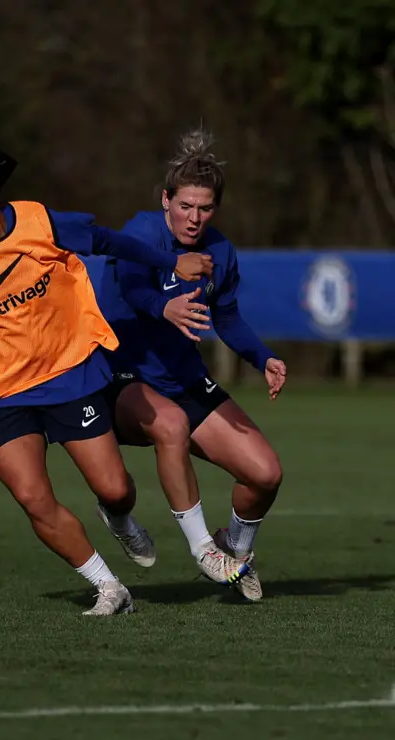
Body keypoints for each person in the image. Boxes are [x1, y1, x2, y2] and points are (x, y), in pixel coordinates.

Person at [0, 136, 214, 615]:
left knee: (115, 488)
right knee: (33, 497)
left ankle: (118, 517)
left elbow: (109, 241)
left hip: (69, 374)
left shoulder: (39, 223)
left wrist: (171, 261)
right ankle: (109, 587)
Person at [98, 129, 286, 602]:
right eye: (185, 206)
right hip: (121, 374)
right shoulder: (141, 233)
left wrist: (262, 357)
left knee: (265, 474)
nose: (194, 218)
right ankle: (203, 549)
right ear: (165, 200)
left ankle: (234, 555)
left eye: (204, 208)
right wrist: (164, 309)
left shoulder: (219, 251)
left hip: (181, 378)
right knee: (160, 440)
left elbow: (226, 316)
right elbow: (132, 286)